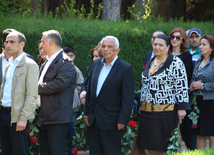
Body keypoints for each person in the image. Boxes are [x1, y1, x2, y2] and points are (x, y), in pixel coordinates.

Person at [139, 34, 190, 155]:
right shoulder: (151, 60)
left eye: (160, 45)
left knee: (161, 147)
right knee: (149, 146)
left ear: (168, 47)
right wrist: (141, 104)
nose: (157, 47)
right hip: (147, 112)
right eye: (155, 44)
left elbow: (181, 85)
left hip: (165, 113)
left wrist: (182, 108)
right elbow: (145, 85)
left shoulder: (176, 63)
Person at [84, 36, 135, 154]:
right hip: (94, 120)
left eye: (109, 47)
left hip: (112, 122)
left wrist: (123, 120)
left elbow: (128, 98)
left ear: (117, 50)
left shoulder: (125, 68)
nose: (105, 49)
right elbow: (90, 90)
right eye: (103, 46)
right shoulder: (96, 64)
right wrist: (86, 112)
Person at [37, 30, 76, 155]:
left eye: (42, 42)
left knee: (56, 152)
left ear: (50, 43)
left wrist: (34, 88)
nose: (41, 45)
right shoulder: (47, 62)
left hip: (58, 118)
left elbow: (59, 85)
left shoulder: (65, 62)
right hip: (45, 116)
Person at [0, 31, 38, 155]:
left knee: (19, 152)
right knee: (6, 151)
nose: (8, 45)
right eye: (6, 42)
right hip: (3, 114)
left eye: (12, 42)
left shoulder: (30, 65)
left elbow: (32, 94)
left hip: (17, 117)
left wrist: (23, 118)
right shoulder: (9, 65)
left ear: (22, 44)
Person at [168, 27, 194, 151]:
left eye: (178, 37)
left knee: (180, 128)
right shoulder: (164, 53)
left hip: (180, 97)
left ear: (183, 40)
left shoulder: (187, 56)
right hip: (165, 97)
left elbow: (187, 79)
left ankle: (178, 152)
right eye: (172, 37)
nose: (174, 39)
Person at [190, 35, 214, 149]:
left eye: (204, 45)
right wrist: (192, 85)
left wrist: (202, 86)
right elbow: (193, 78)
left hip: (211, 102)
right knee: (200, 132)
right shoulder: (199, 61)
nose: (200, 47)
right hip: (198, 101)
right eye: (200, 44)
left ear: (212, 48)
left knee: (211, 133)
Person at [63, 44, 84, 155]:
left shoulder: (77, 71)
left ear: (74, 56)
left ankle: (71, 151)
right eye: (67, 55)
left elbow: (81, 85)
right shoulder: (60, 68)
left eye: (71, 55)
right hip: (61, 107)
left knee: (71, 130)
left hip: (72, 107)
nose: (69, 57)